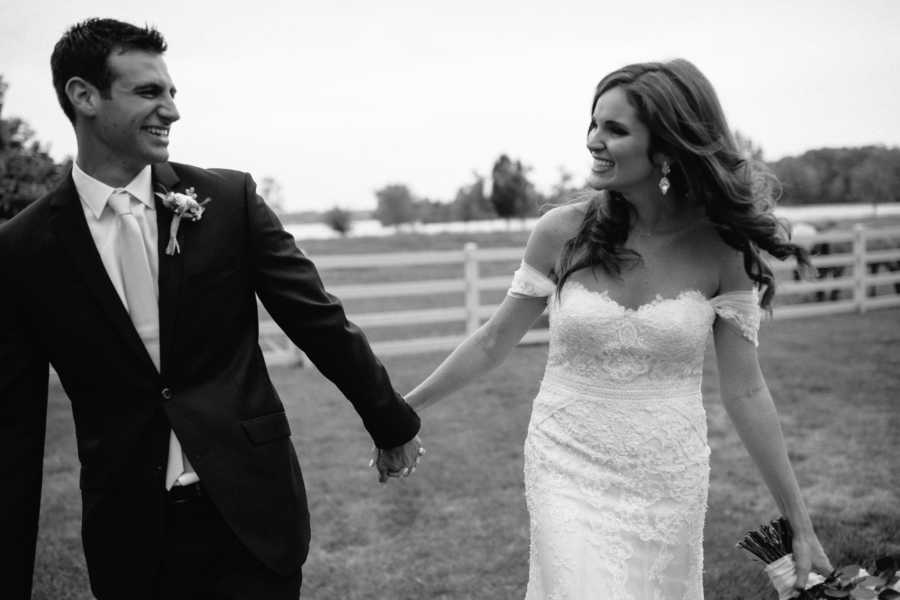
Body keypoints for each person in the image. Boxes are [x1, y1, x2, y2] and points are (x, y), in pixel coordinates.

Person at [0, 18, 422, 600]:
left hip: (252, 516)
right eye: (149, 92)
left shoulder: (227, 201)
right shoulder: (22, 249)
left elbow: (317, 319)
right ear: (84, 96)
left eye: (172, 93)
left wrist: (390, 421)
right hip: (130, 535)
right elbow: (13, 428)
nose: (170, 111)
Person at [404, 59, 833, 599]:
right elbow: (493, 341)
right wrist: (403, 407)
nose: (593, 141)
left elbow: (746, 389)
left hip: (667, 475)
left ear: (668, 147)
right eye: (593, 124)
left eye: (615, 129)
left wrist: (799, 519)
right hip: (565, 460)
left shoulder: (721, 248)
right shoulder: (561, 232)